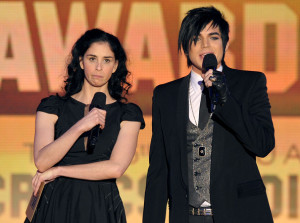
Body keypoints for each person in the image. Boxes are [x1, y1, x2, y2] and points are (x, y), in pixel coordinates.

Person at [143, 6, 274, 223]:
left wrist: (225, 100)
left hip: (240, 214)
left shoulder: (250, 83)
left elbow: (263, 145)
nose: (205, 45)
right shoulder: (165, 95)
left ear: (225, 42)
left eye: (213, 37)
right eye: (196, 38)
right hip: (187, 216)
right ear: (186, 46)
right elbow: (158, 169)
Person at [25, 28, 145, 223]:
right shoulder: (53, 107)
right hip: (56, 201)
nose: (99, 67)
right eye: (92, 59)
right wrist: (81, 125)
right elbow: (42, 161)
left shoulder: (127, 114)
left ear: (115, 66)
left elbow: (115, 168)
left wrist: (59, 171)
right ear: (81, 62)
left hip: (100, 204)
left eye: (106, 60)